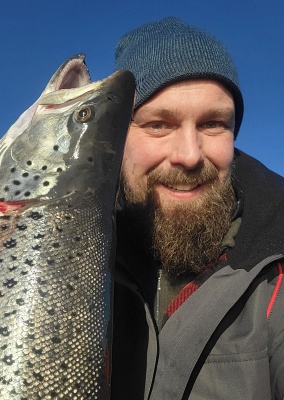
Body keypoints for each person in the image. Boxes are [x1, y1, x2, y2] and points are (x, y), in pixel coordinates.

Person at [111, 17, 284, 400]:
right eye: (158, 124)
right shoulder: (54, 257)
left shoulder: (277, 268)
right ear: (118, 139)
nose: (189, 156)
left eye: (212, 124)